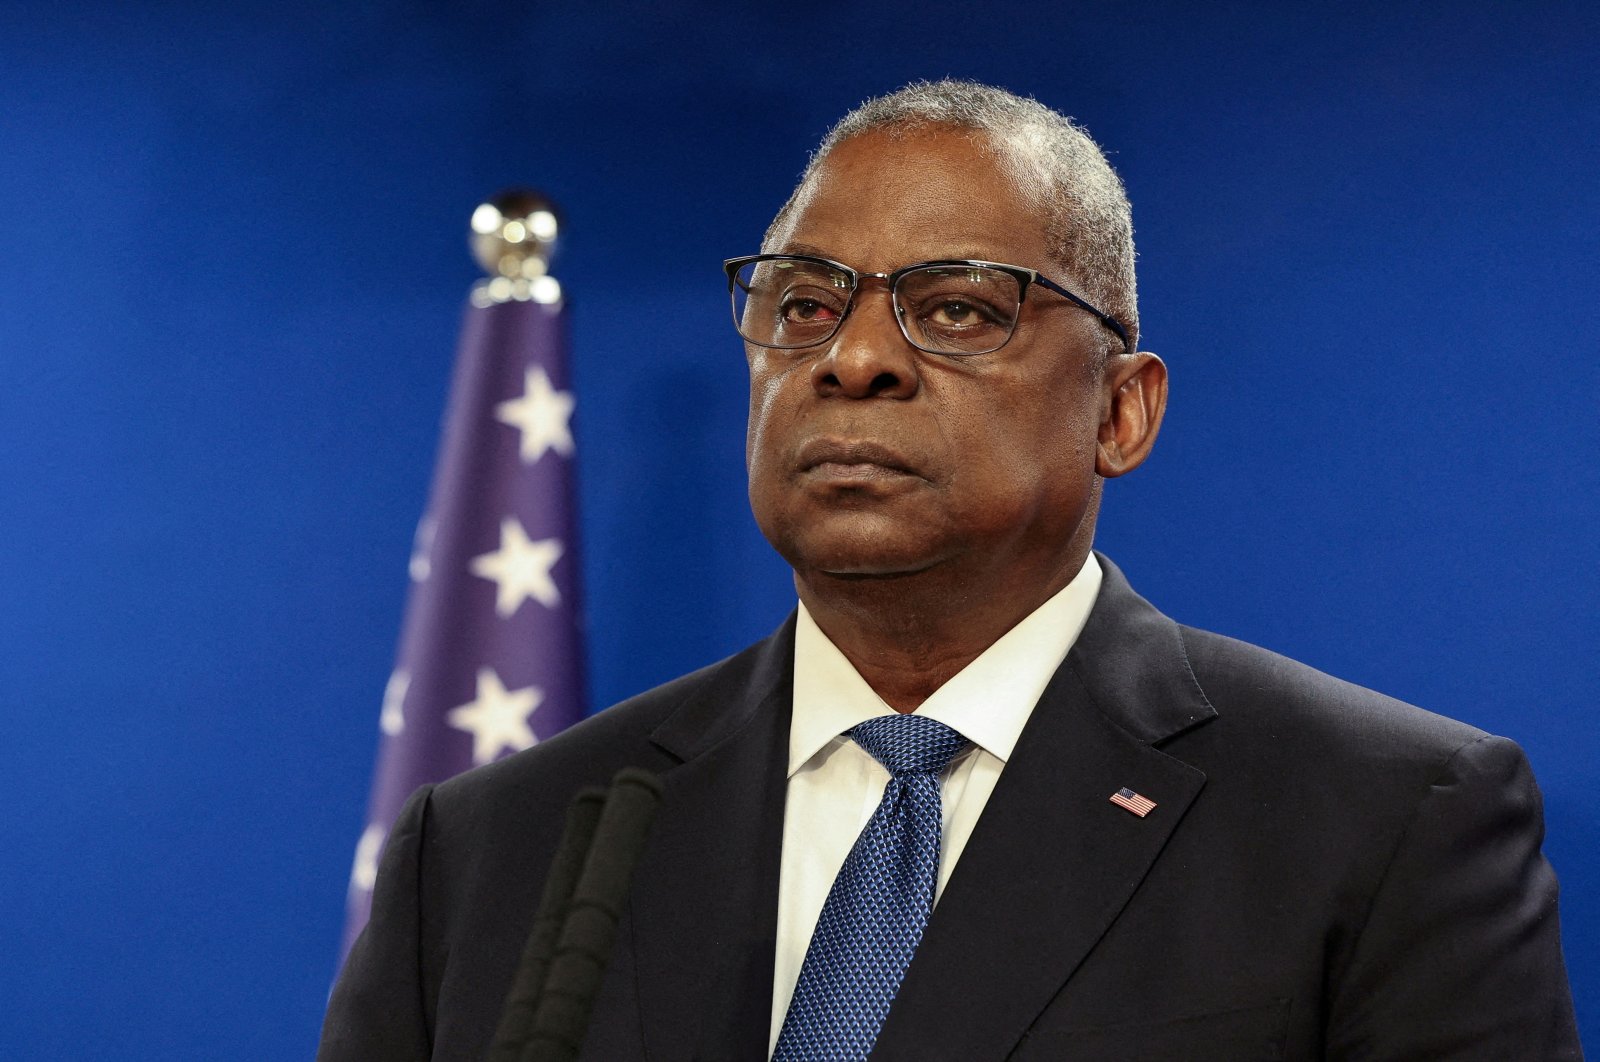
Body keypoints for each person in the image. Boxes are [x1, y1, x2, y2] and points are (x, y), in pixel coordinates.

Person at [318, 80, 1581, 1061]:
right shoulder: (489, 850)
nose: (852, 358)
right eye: (805, 304)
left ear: (1121, 413)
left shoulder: (1381, 820)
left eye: (960, 307)